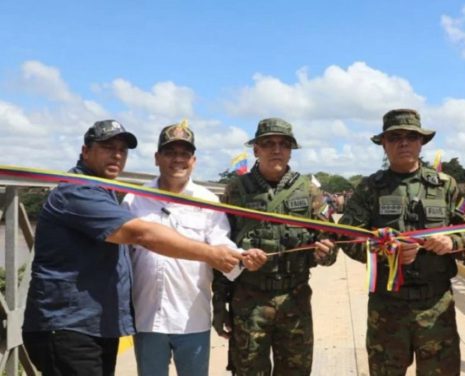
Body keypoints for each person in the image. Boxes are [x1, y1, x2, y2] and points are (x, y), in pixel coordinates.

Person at [21, 120, 245, 376]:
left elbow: (221, 242)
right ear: (85, 151)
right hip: (70, 325)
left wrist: (235, 257)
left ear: (194, 161)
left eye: (122, 150)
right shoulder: (82, 191)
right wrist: (209, 253)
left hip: (103, 324)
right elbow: (141, 234)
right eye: (107, 147)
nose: (116, 155)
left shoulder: (105, 191)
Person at [339, 109, 465, 375]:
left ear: (421, 142)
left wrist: (452, 241)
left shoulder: (444, 185)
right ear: (384, 144)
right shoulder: (370, 188)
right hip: (387, 307)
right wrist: (384, 253)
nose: (403, 143)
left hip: (436, 304)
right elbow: (346, 236)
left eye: (411, 137)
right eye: (395, 137)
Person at [121, 121, 267, 376]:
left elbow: (221, 243)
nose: (178, 159)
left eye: (184, 154)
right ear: (157, 158)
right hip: (146, 317)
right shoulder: (134, 199)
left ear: (194, 160)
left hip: (191, 318)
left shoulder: (207, 201)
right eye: (170, 153)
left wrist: (243, 259)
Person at [211, 118, 337, 375]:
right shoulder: (236, 190)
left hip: (295, 299)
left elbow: (332, 241)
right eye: (268, 143)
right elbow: (219, 247)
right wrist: (219, 305)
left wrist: (326, 253)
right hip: (248, 300)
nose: (276, 149)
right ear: (256, 149)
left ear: (291, 150)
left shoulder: (309, 192)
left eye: (283, 144)